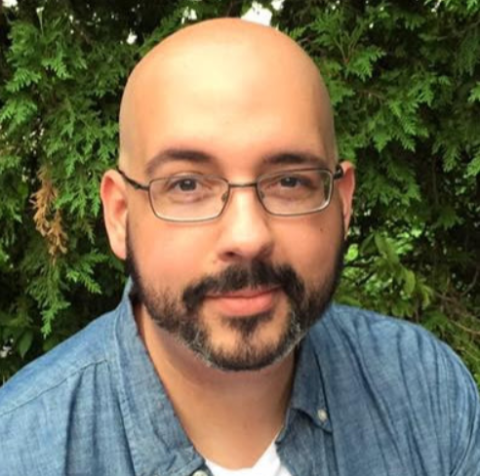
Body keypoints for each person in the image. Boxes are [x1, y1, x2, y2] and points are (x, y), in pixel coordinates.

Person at [0, 18, 479, 476]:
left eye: (290, 181)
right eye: (187, 185)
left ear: (343, 203)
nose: (248, 238)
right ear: (120, 216)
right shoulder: (18, 448)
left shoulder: (425, 393)